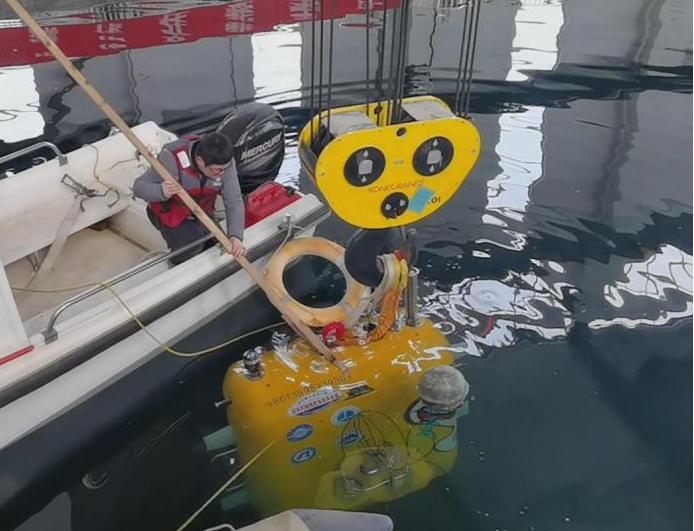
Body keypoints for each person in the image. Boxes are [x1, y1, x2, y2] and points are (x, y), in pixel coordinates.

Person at [133, 132, 245, 264]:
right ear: (200, 160)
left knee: (218, 247)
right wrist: (161, 190)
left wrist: (236, 236)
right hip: (171, 213)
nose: (222, 173)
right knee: (193, 245)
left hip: (202, 214)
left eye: (225, 169)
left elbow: (234, 200)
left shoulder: (225, 164)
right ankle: (174, 263)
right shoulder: (170, 159)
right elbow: (139, 187)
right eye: (217, 170)